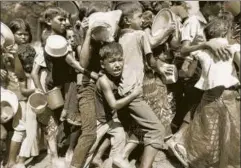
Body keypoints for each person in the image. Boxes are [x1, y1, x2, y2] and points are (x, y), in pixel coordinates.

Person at [172, 17, 240, 168]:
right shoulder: (232, 48)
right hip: (228, 95)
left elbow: (182, 51)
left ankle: (184, 147)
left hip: (209, 97)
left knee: (207, 132)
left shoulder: (202, 51)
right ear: (225, 32)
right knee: (228, 135)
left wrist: (205, 44)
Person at [115, 2, 169, 168]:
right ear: (127, 20)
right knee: (157, 130)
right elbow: (151, 61)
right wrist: (162, 68)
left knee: (142, 126)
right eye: (139, 17)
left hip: (123, 89)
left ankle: (122, 155)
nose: (142, 20)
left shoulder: (119, 37)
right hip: (135, 91)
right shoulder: (140, 35)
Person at [84, 42, 142, 168]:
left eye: (120, 60)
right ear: (103, 64)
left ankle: (111, 164)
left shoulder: (117, 74)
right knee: (89, 148)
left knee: (120, 137)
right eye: (112, 61)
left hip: (110, 119)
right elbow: (114, 104)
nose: (117, 65)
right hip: (99, 121)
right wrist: (134, 94)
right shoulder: (104, 80)